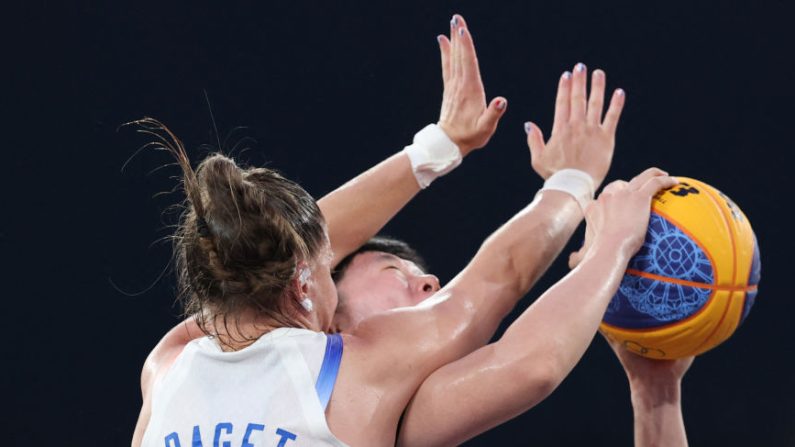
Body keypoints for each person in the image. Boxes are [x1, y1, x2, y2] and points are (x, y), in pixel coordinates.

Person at [132, 14, 683, 447]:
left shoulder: (169, 364)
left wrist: (438, 149)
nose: (427, 284)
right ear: (303, 281)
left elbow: (257, 250)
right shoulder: (354, 371)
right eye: (326, 266)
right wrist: (608, 234)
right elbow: (513, 318)